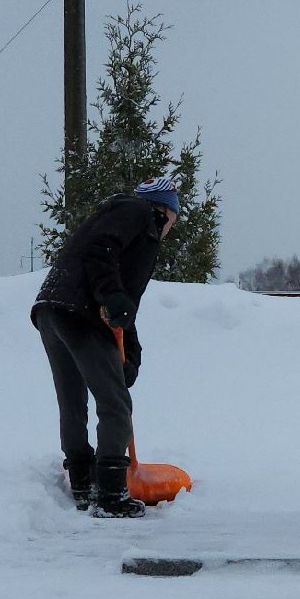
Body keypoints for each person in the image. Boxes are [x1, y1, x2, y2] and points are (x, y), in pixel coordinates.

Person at [30, 174, 180, 518]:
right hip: (81, 310)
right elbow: (101, 252)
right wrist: (110, 296)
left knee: (72, 399)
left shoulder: (122, 218)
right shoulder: (137, 212)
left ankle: (83, 481)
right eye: (175, 217)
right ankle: (111, 493)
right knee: (114, 403)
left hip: (53, 308)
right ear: (167, 212)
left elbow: (123, 305)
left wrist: (131, 353)